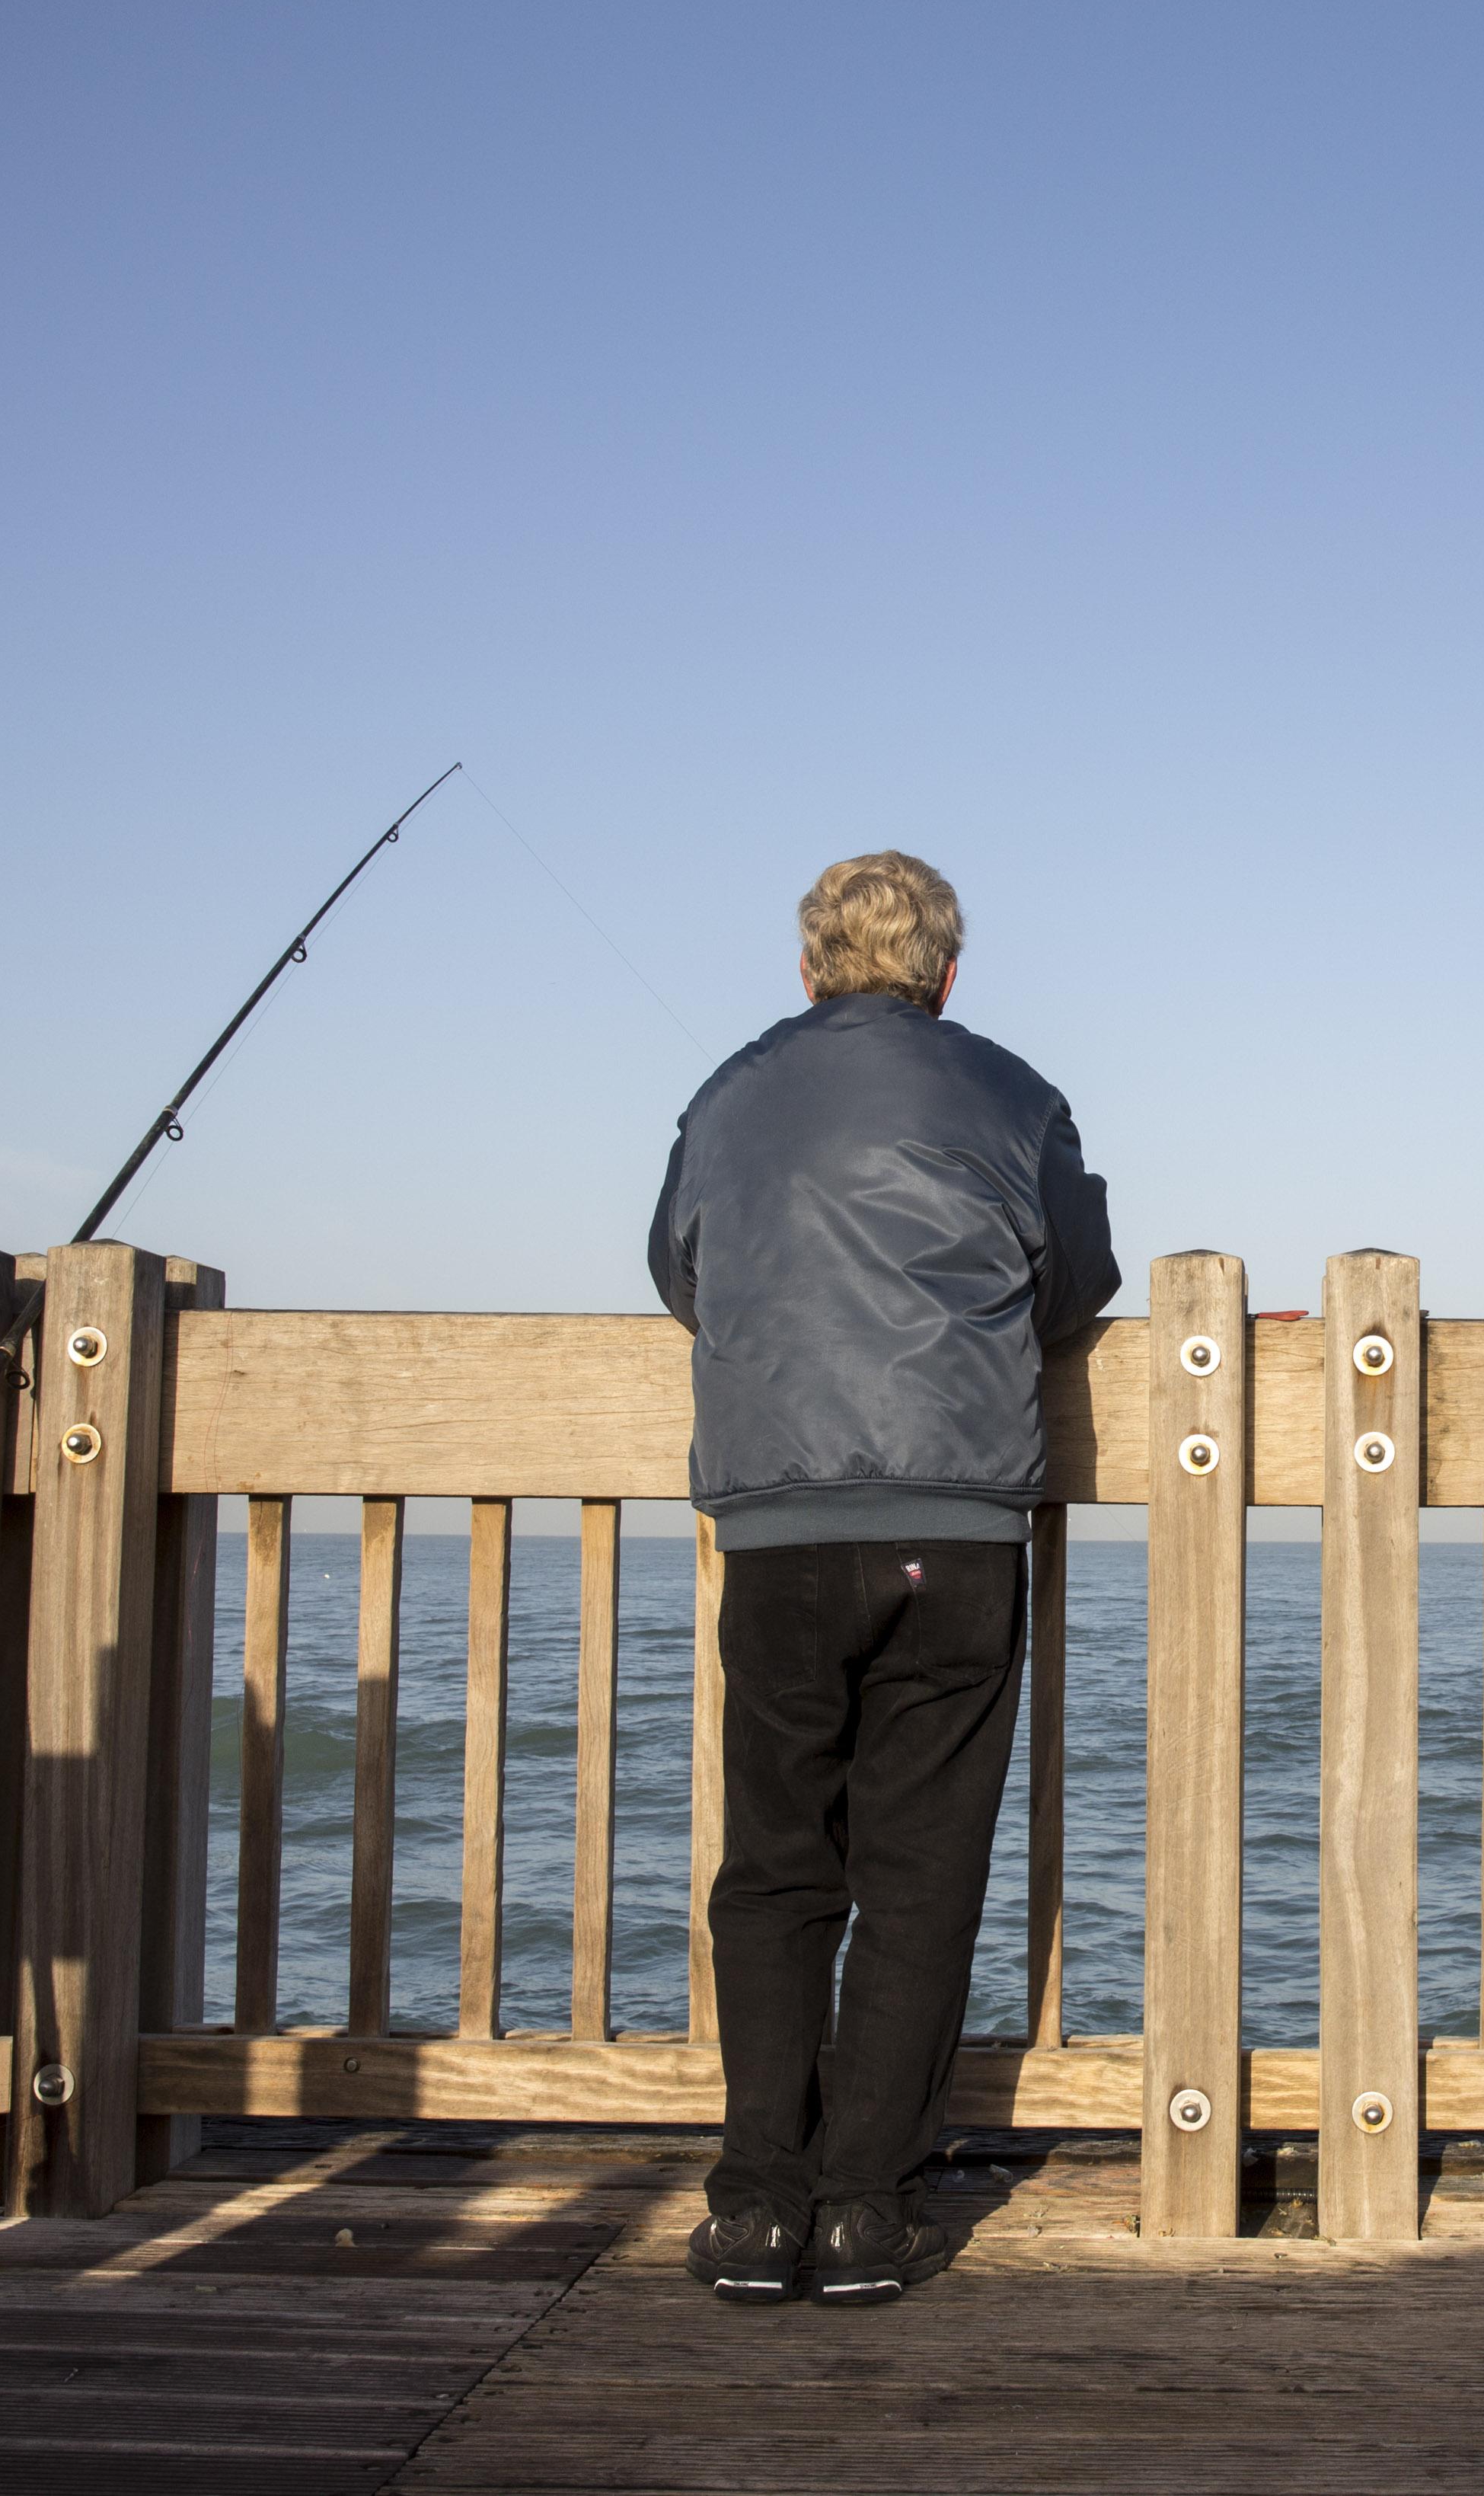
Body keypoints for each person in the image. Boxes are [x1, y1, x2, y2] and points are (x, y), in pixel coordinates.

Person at [649, 849, 1119, 2306]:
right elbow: (1077, 1278)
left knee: (777, 1868)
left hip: (780, 1529)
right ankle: (868, 2210)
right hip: (959, 1523)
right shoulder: (1012, 1095)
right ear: (947, 974)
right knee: (920, 1877)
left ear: (807, 968)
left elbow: (681, 1267)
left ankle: (751, 2204)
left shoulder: (728, 1096)